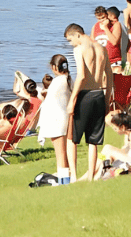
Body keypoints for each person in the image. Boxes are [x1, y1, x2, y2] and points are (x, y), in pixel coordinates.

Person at [64, 23, 113, 182]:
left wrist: (72, 99)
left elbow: (81, 76)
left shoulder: (79, 49)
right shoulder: (101, 48)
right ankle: (91, 177)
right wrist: (107, 99)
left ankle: (74, 176)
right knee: (94, 140)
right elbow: (110, 76)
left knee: (72, 138)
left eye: (70, 40)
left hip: (84, 95)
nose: (71, 44)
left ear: (77, 34)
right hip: (99, 94)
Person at [37, 54, 74, 184]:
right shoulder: (68, 80)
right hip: (65, 119)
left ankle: (64, 181)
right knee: (64, 152)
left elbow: (49, 102)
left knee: (60, 154)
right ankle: (68, 177)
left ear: (54, 67)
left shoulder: (57, 82)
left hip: (57, 122)